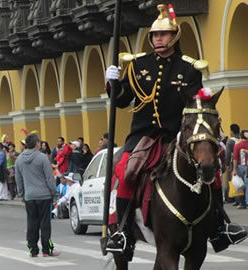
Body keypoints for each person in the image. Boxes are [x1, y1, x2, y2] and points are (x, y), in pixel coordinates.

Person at [105, 4, 246, 254]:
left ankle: (219, 226)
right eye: (155, 35)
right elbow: (123, 101)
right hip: (143, 136)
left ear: (175, 36)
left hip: (177, 134)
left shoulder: (189, 67)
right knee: (126, 171)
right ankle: (122, 232)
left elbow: (194, 103)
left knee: (209, 169)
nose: (158, 39)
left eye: (164, 34)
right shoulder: (138, 65)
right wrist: (112, 83)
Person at [15, 133, 59, 257]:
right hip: (44, 195)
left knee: (32, 223)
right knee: (45, 223)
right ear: (36, 144)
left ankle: (33, 250)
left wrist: (22, 194)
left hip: (29, 196)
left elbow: (18, 179)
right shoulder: (42, 158)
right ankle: (46, 250)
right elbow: (49, 178)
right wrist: (54, 195)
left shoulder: (20, 159)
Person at [225, 124, 241, 204]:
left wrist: (226, 164)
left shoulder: (230, 141)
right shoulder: (243, 139)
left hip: (233, 162)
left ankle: (236, 199)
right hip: (243, 162)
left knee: (234, 181)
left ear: (232, 131)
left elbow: (227, 154)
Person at [233, 130, 248, 208]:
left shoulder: (237, 146)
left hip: (240, 167)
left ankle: (242, 203)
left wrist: (234, 169)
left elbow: (235, 158)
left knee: (240, 186)